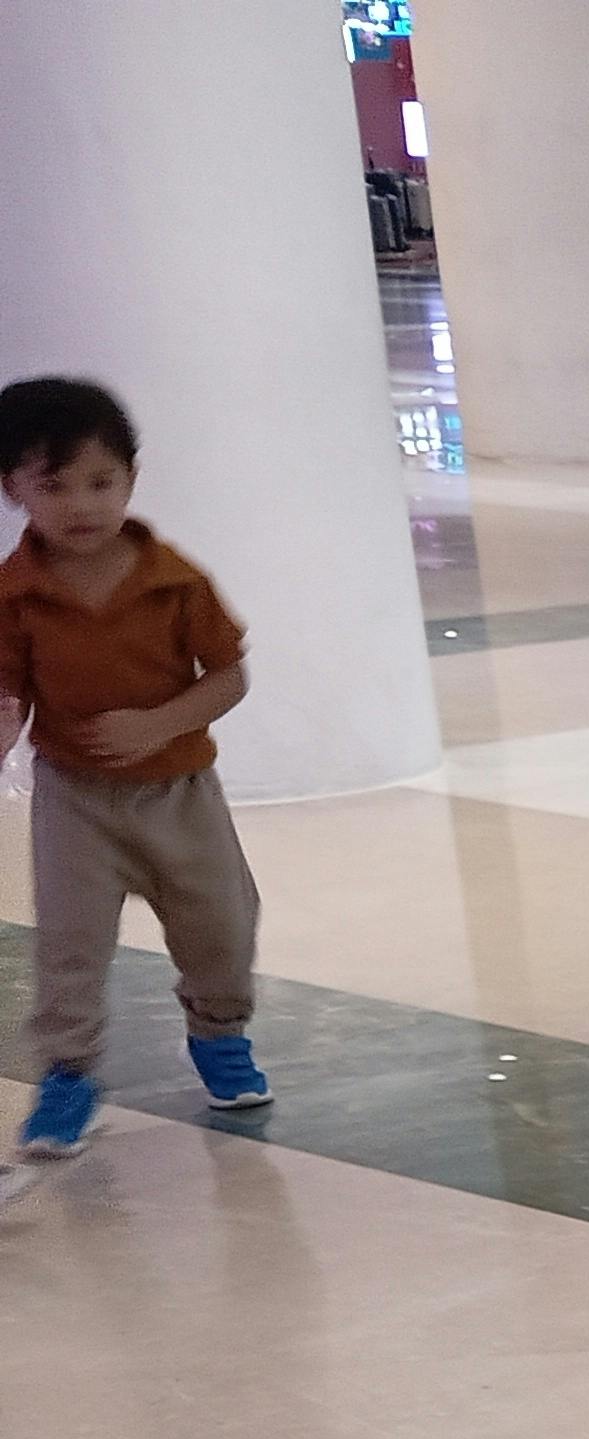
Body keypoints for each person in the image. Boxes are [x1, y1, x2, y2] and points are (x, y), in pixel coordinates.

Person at [1, 376, 267, 1162]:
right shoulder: (14, 595)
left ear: (131, 480)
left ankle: (219, 1036)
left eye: (101, 482)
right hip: (74, 800)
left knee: (220, 921)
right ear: (14, 489)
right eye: (54, 486)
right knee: (71, 943)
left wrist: (160, 723)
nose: (82, 504)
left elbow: (228, 675)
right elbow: (7, 690)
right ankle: (68, 1073)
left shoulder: (175, 580)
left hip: (180, 792)